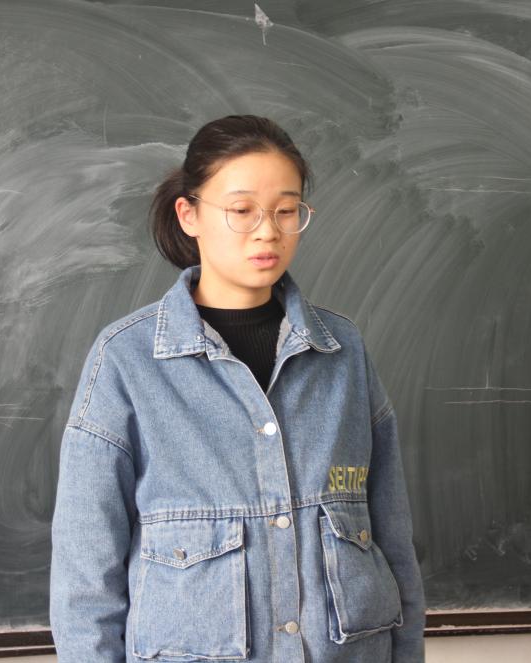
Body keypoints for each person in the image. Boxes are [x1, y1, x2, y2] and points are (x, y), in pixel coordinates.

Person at [50, 115, 425, 662]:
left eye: (286, 210)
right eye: (242, 210)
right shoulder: (126, 360)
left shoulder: (342, 351)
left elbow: (393, 542)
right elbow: (86, 579)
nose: (268, 231)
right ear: (190, 214)